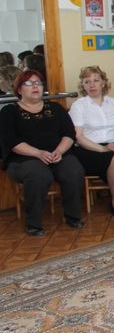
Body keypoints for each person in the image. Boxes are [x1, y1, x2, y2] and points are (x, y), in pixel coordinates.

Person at [0, 70, 86, 236]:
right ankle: (34, 223)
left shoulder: (55, 108)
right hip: (23, 160)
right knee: (39, 174)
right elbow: (11, 142)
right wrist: (38, 153)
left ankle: (73, 216)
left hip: (57, 155)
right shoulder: (9, 112)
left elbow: (69, 134)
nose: (35, 86)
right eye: (29, 83)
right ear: (19, 89)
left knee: (73, 169)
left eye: (38, 83)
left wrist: (59, 151)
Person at [68, 66, 114, 218]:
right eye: (87, 82)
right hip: (88, 149)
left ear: (103, 83)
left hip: (112, 145)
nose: (92, 85)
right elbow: (78, 137)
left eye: (96, 80)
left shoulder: (113, 102)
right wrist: (102, 149)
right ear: (83, 86)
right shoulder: (78, 105)